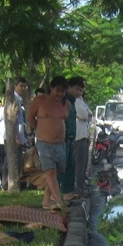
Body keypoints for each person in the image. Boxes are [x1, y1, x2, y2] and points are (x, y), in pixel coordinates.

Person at [26, 76, 70, 210]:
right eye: (57, 90)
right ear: (51, 88)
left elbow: (65, 121)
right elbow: (30, 118)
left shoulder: (66, 104)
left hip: (60, 144)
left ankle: (46, 201)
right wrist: (40, 130)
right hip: (44, 143)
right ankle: (59, 202)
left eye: (63, 91)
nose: (60, 94)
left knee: (55, 173)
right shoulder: (40, 101)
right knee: (50, 172)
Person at [68, 76, 91, 196]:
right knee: (78, 164)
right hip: (77, 135)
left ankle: (81, 186)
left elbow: (89, 114)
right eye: (78, 88)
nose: (80, 91)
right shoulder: (74, 101)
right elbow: (84, 115)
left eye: (82, 89)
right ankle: (77, 188)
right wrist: (87, 114)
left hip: (84, 135)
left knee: (83, 163)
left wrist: (87, 114)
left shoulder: (81, 100)